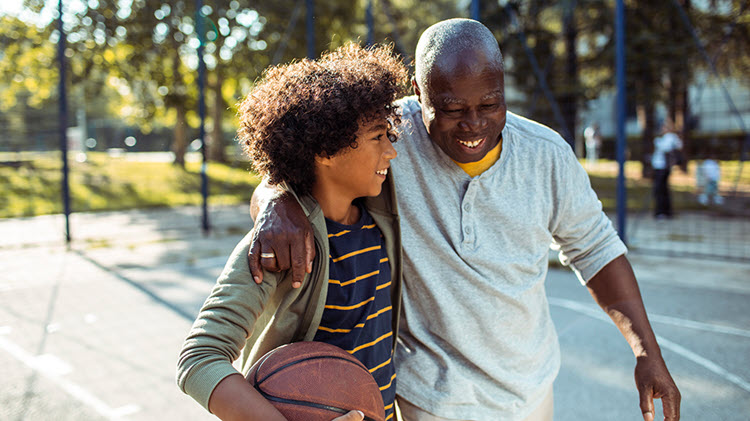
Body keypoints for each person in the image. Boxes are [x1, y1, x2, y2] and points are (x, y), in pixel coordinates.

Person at [247, 19, 681, 421]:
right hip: (432, 397)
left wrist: (647, 352)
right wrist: (276, 200)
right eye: (452, 110)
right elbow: (299, 167)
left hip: (529, 391)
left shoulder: (546, 156)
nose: (474, 125)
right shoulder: (388, 141)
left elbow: (596, 250)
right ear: (419, 92)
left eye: (491, 104)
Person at [176, 43, 408, 421]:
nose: (392, 152)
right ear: (326, 151)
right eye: (377, 137)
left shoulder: (379, 214)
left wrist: (272, 194)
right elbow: (198, 358)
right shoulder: (279, 245)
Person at [651, 121, 684, 218]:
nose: (662, 130)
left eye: (664, 127)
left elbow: (666, 148)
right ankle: (665, 211)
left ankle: (662, 211)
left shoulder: (670, 137)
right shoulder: (670, 138)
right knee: (662, 189)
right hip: (661, 166)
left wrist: (657, 142)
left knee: (660, 190)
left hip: (662, 167)